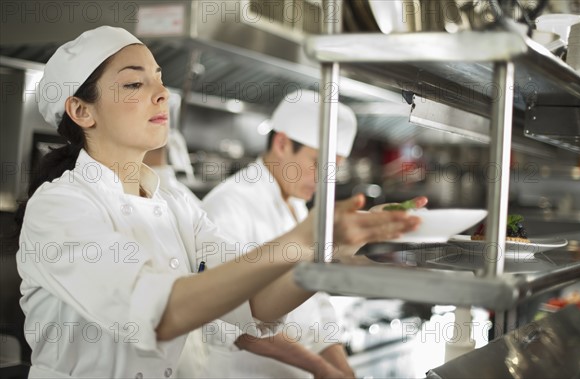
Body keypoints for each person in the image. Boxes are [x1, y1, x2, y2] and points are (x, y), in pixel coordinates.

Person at [15, 26, 423, 378]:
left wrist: (324, 248)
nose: (162, 94)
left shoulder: (177, 202)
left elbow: (255, 304)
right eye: (135, 83)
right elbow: (162, 313)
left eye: (159, 78)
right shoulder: (59, 207)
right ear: (82, 111)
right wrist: (301, 241)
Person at [197, 90, 359, 378]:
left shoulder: (297, 207)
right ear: (283, 143)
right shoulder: (228, 206)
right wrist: (320, 368)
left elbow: (316, 304)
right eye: (317, 164)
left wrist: (344, 369)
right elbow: (233, 322)